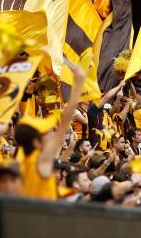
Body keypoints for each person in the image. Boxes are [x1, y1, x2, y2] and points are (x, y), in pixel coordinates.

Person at [14, 64, 86, 200]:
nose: (49, 135)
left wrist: (70, 147)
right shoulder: (40, 160)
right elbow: (64, 123)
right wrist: (79, 84)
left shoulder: (23, 157)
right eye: (45, 133)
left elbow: (58, 161)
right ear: (36, 142)